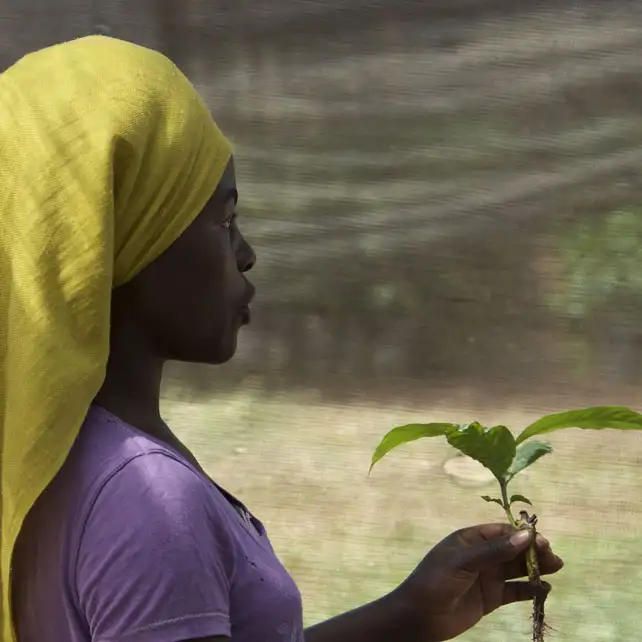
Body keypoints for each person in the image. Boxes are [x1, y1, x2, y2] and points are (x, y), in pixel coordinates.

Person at [0, 36, 563, 642]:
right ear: (124, 238)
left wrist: (406, 618)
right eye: (223, 219)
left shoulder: (47, 461)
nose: (245, 253)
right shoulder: (145, 497)